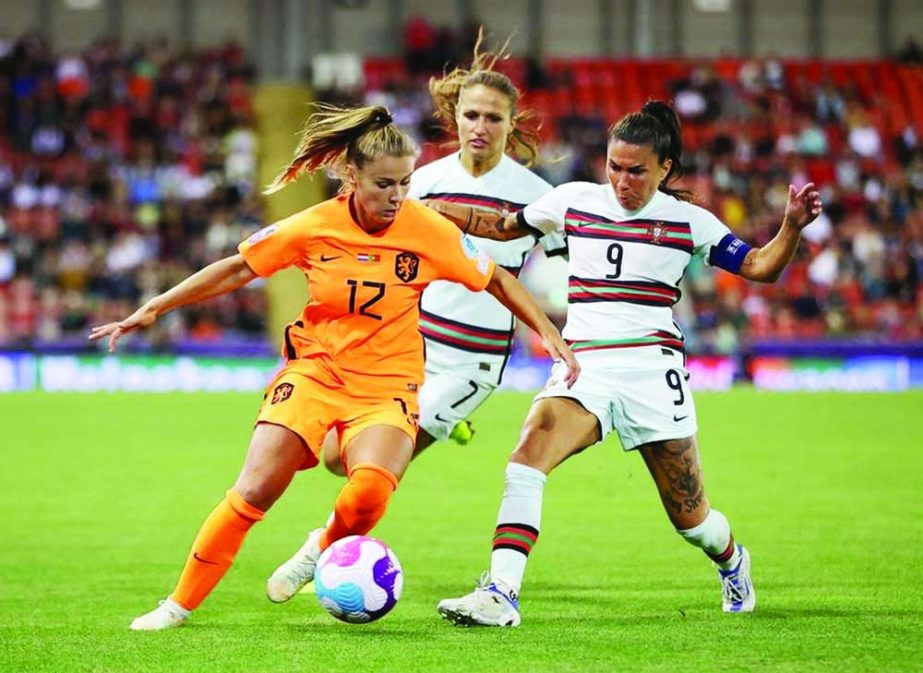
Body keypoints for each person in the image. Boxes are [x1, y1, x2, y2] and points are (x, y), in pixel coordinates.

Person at [88, 103, 578, 631]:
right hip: (315, 374)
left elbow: (497, 279)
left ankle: (319, 548)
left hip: (387, 384)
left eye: (405, 183)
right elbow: (236, 268)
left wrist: (547, 332)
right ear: (351, 176)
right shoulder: (314, 226)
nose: (397, 197)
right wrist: (156, 307)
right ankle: (176, 606)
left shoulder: (427, 229)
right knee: (254, 490)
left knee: (369, 489)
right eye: (384, 184)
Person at [425, 100, 823, 626]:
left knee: (691, 519)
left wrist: (790, 227)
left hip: (653, 373)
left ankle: (733, 561)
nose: (622, 180)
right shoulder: (572, 202)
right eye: (614, 166)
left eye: (636, 170)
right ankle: (502, 592)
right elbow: (501, 226)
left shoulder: (689, 222)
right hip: (584, 365)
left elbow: (759, 266)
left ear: (665, 168)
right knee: (527, 455)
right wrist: (427, 208)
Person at [267, 29, 567, 605]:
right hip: (409, 351)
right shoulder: (419, 182)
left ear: (511, 123)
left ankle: (316, 552)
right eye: (472, 114)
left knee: (378, 475)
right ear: (455, 117)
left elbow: (559, 272)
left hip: (469, 363)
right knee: (336, 459)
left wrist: (560, 334)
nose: (481, 126)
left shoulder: (534, 196)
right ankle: (443, 426)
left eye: (494, 118)